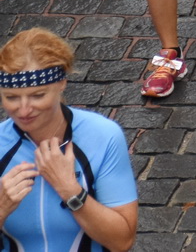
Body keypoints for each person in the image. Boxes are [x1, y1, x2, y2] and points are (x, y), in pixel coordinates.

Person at [0, 29, 139, 252]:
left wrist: (71, 191)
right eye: (11, 97)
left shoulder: (103, 136)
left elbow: (121, 241)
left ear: (61, 84)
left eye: (38, 95)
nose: (24, 110)